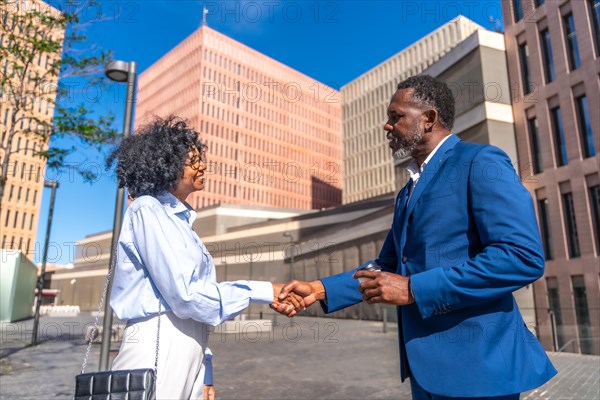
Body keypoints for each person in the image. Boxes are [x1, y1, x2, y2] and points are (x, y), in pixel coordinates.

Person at [274, 75, 557, 399]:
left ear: (428, 119)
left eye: (396, 116)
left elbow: (521, 257)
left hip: (480, 371)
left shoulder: (480, 162)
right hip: (425, 372)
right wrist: (320, 288)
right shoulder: (408, 191)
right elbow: (388, 265)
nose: (386, 126)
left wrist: (412, 288)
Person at [107, 116, 298, 400]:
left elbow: (192, 307)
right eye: (193, 160)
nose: (204, 166)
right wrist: (265, 290)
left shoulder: (182, 223)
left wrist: (204, 368)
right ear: (168, 165)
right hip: (158, 345)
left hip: (187, 347)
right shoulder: (148, 209)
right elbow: (185, 296)